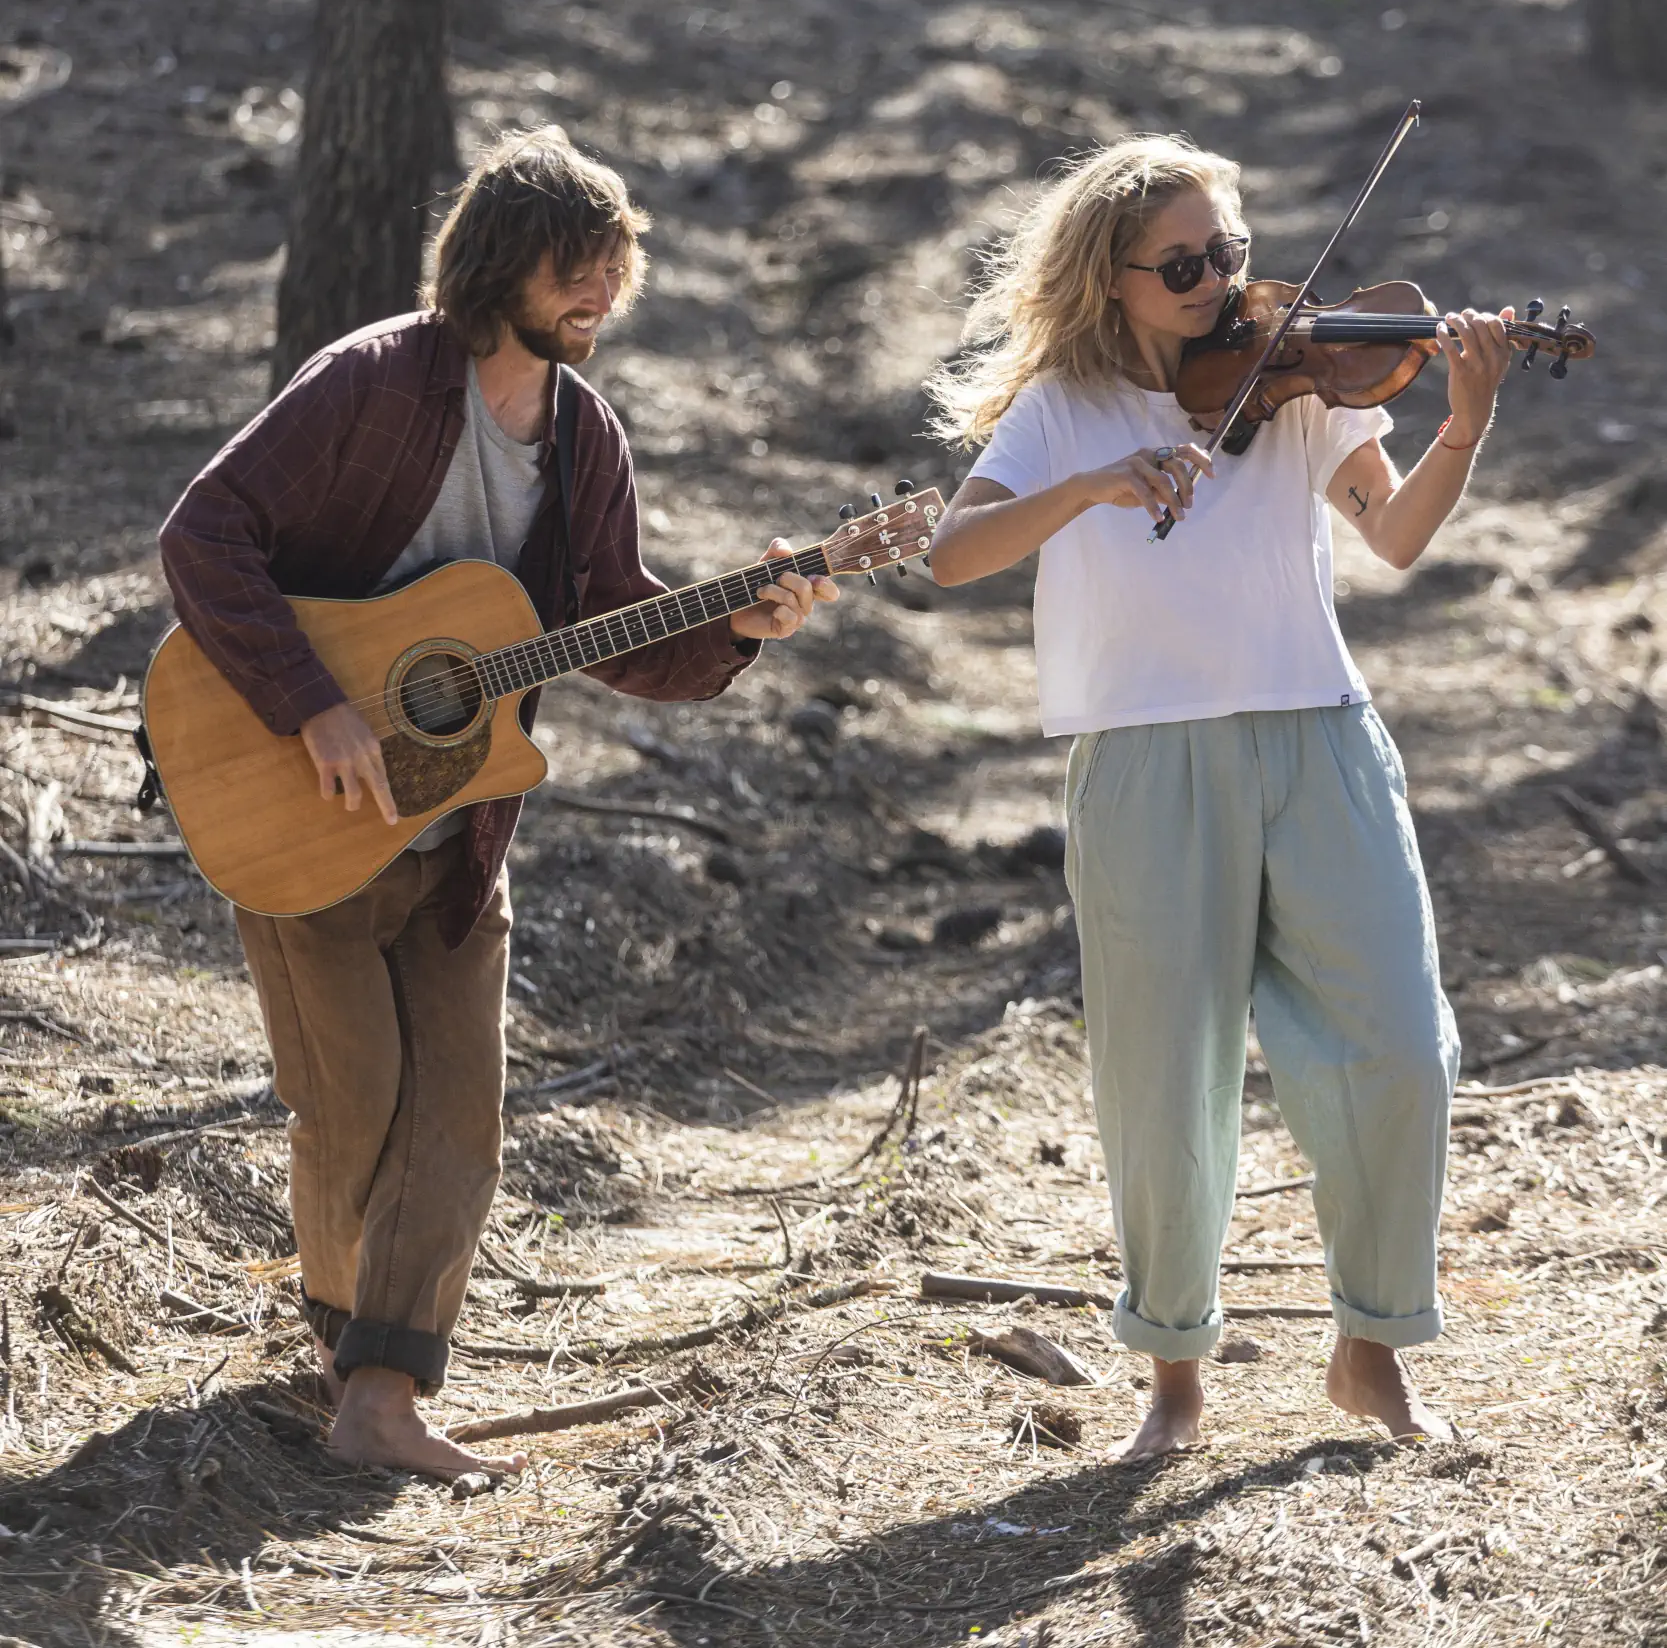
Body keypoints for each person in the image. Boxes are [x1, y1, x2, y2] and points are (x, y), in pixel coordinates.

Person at [158, 129, 837, 1479]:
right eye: (572, 269)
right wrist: (313, 700)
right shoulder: (371, 383)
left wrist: (746, 621)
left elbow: (610, 630)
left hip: (461, 833)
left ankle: (379, 1395)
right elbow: (204, 532)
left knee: (459, 1119)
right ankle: (345, 1343)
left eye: (613, 270)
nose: (598, 294)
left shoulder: (584, 437)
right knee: (351, 1109)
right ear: (496, 267)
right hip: (300, 814)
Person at [926, 135, 1511, 1460]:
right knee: (1163, 1078)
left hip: (1319, 733)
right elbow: (953, 553)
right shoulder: (1064, 408)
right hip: (1144, 760)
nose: (1218, 285)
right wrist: (1089, 487)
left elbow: (1397, 537)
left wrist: (1462, 420)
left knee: (1400, 1052)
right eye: (1181, 266)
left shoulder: (1301, 380)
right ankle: (1174, 1381)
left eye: (1228, 255)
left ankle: (1370, 1354)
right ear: (1112, 279)